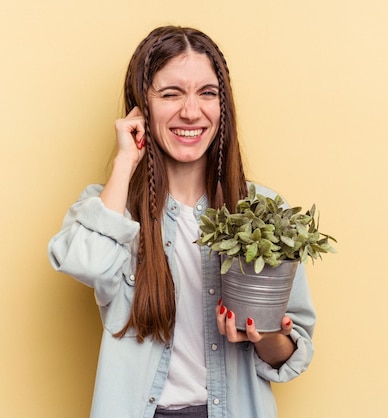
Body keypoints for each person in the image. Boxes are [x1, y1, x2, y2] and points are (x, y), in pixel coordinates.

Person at [48, 25, 316, 418]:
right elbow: (85, 262)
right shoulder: (111, 207)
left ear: (222, 105)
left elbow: (292, 354)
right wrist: (125, 161)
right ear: (141, 106)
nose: (191, 111)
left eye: (207, 93)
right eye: (171, 94)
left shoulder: (262, 212)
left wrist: (267, 334)